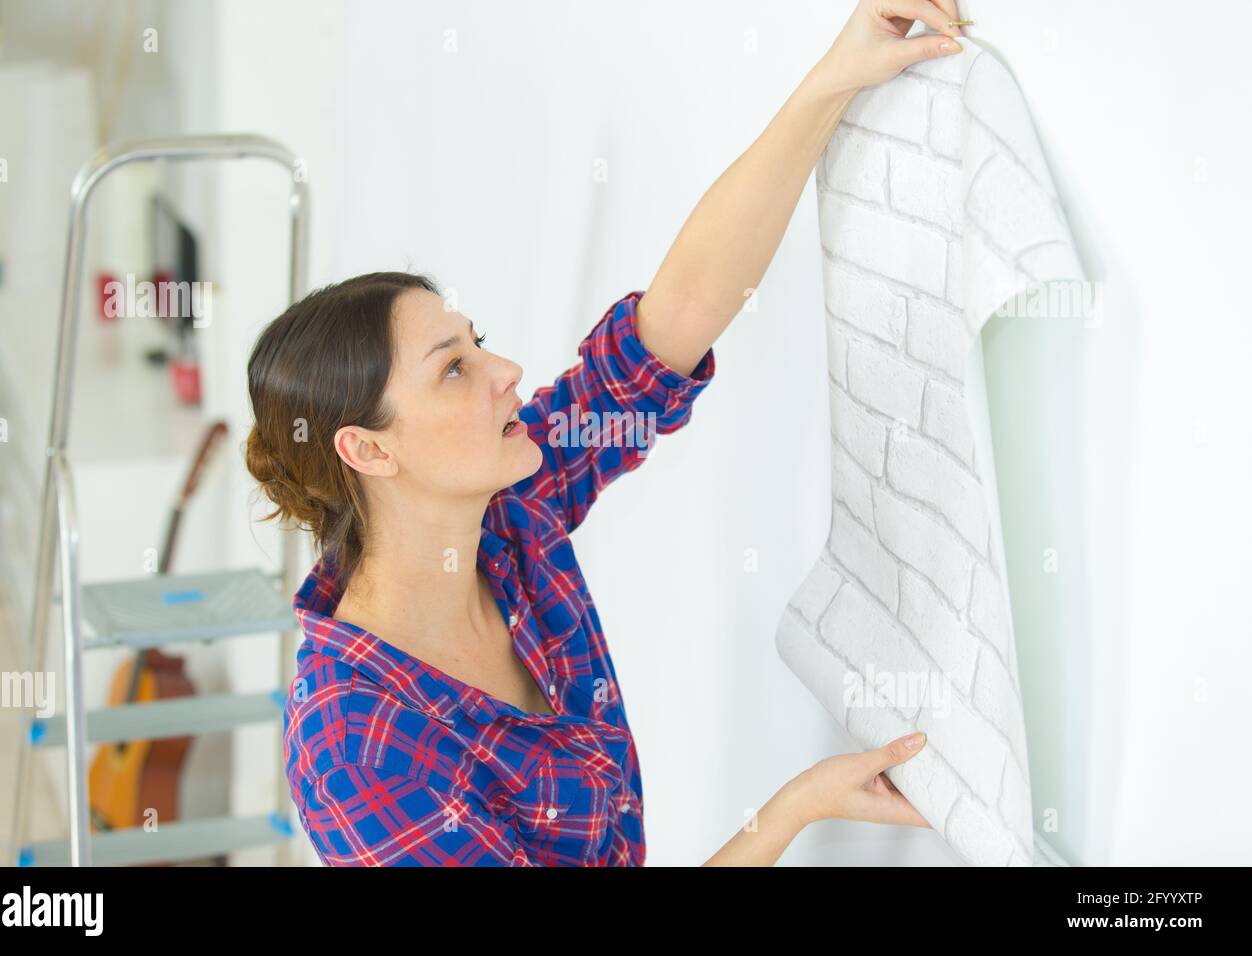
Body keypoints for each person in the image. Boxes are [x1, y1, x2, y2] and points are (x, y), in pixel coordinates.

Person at [245, 0, 966, 866]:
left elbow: (677, 321)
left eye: (476, 342)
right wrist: (786, 816)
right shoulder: (359, 750)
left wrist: (834, 78)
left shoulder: (510, 516)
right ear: (369, 448)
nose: (503, 368)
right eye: (453, 369)